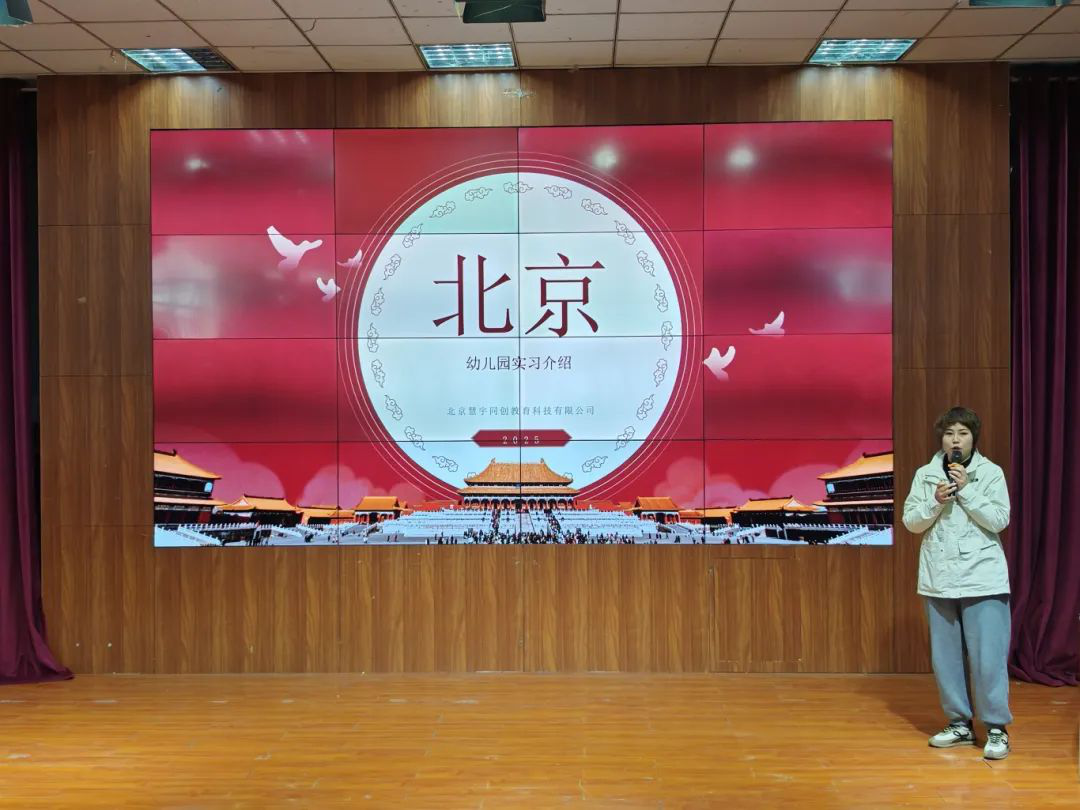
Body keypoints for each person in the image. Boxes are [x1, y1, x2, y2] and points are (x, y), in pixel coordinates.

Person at [901, 406, 1012, 760]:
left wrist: (967, 491)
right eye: (949, 433)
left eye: (962, 433)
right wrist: (934, 502)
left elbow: (999, 519)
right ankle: (959, 723)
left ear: (973, 438)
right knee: (946, 658)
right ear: (942, 439)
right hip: (939, 578)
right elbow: (911, 522)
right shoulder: (925, 474)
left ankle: (996, 728)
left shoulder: (990, 473)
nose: (955, 440)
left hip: (983, 578)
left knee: (988, 658)